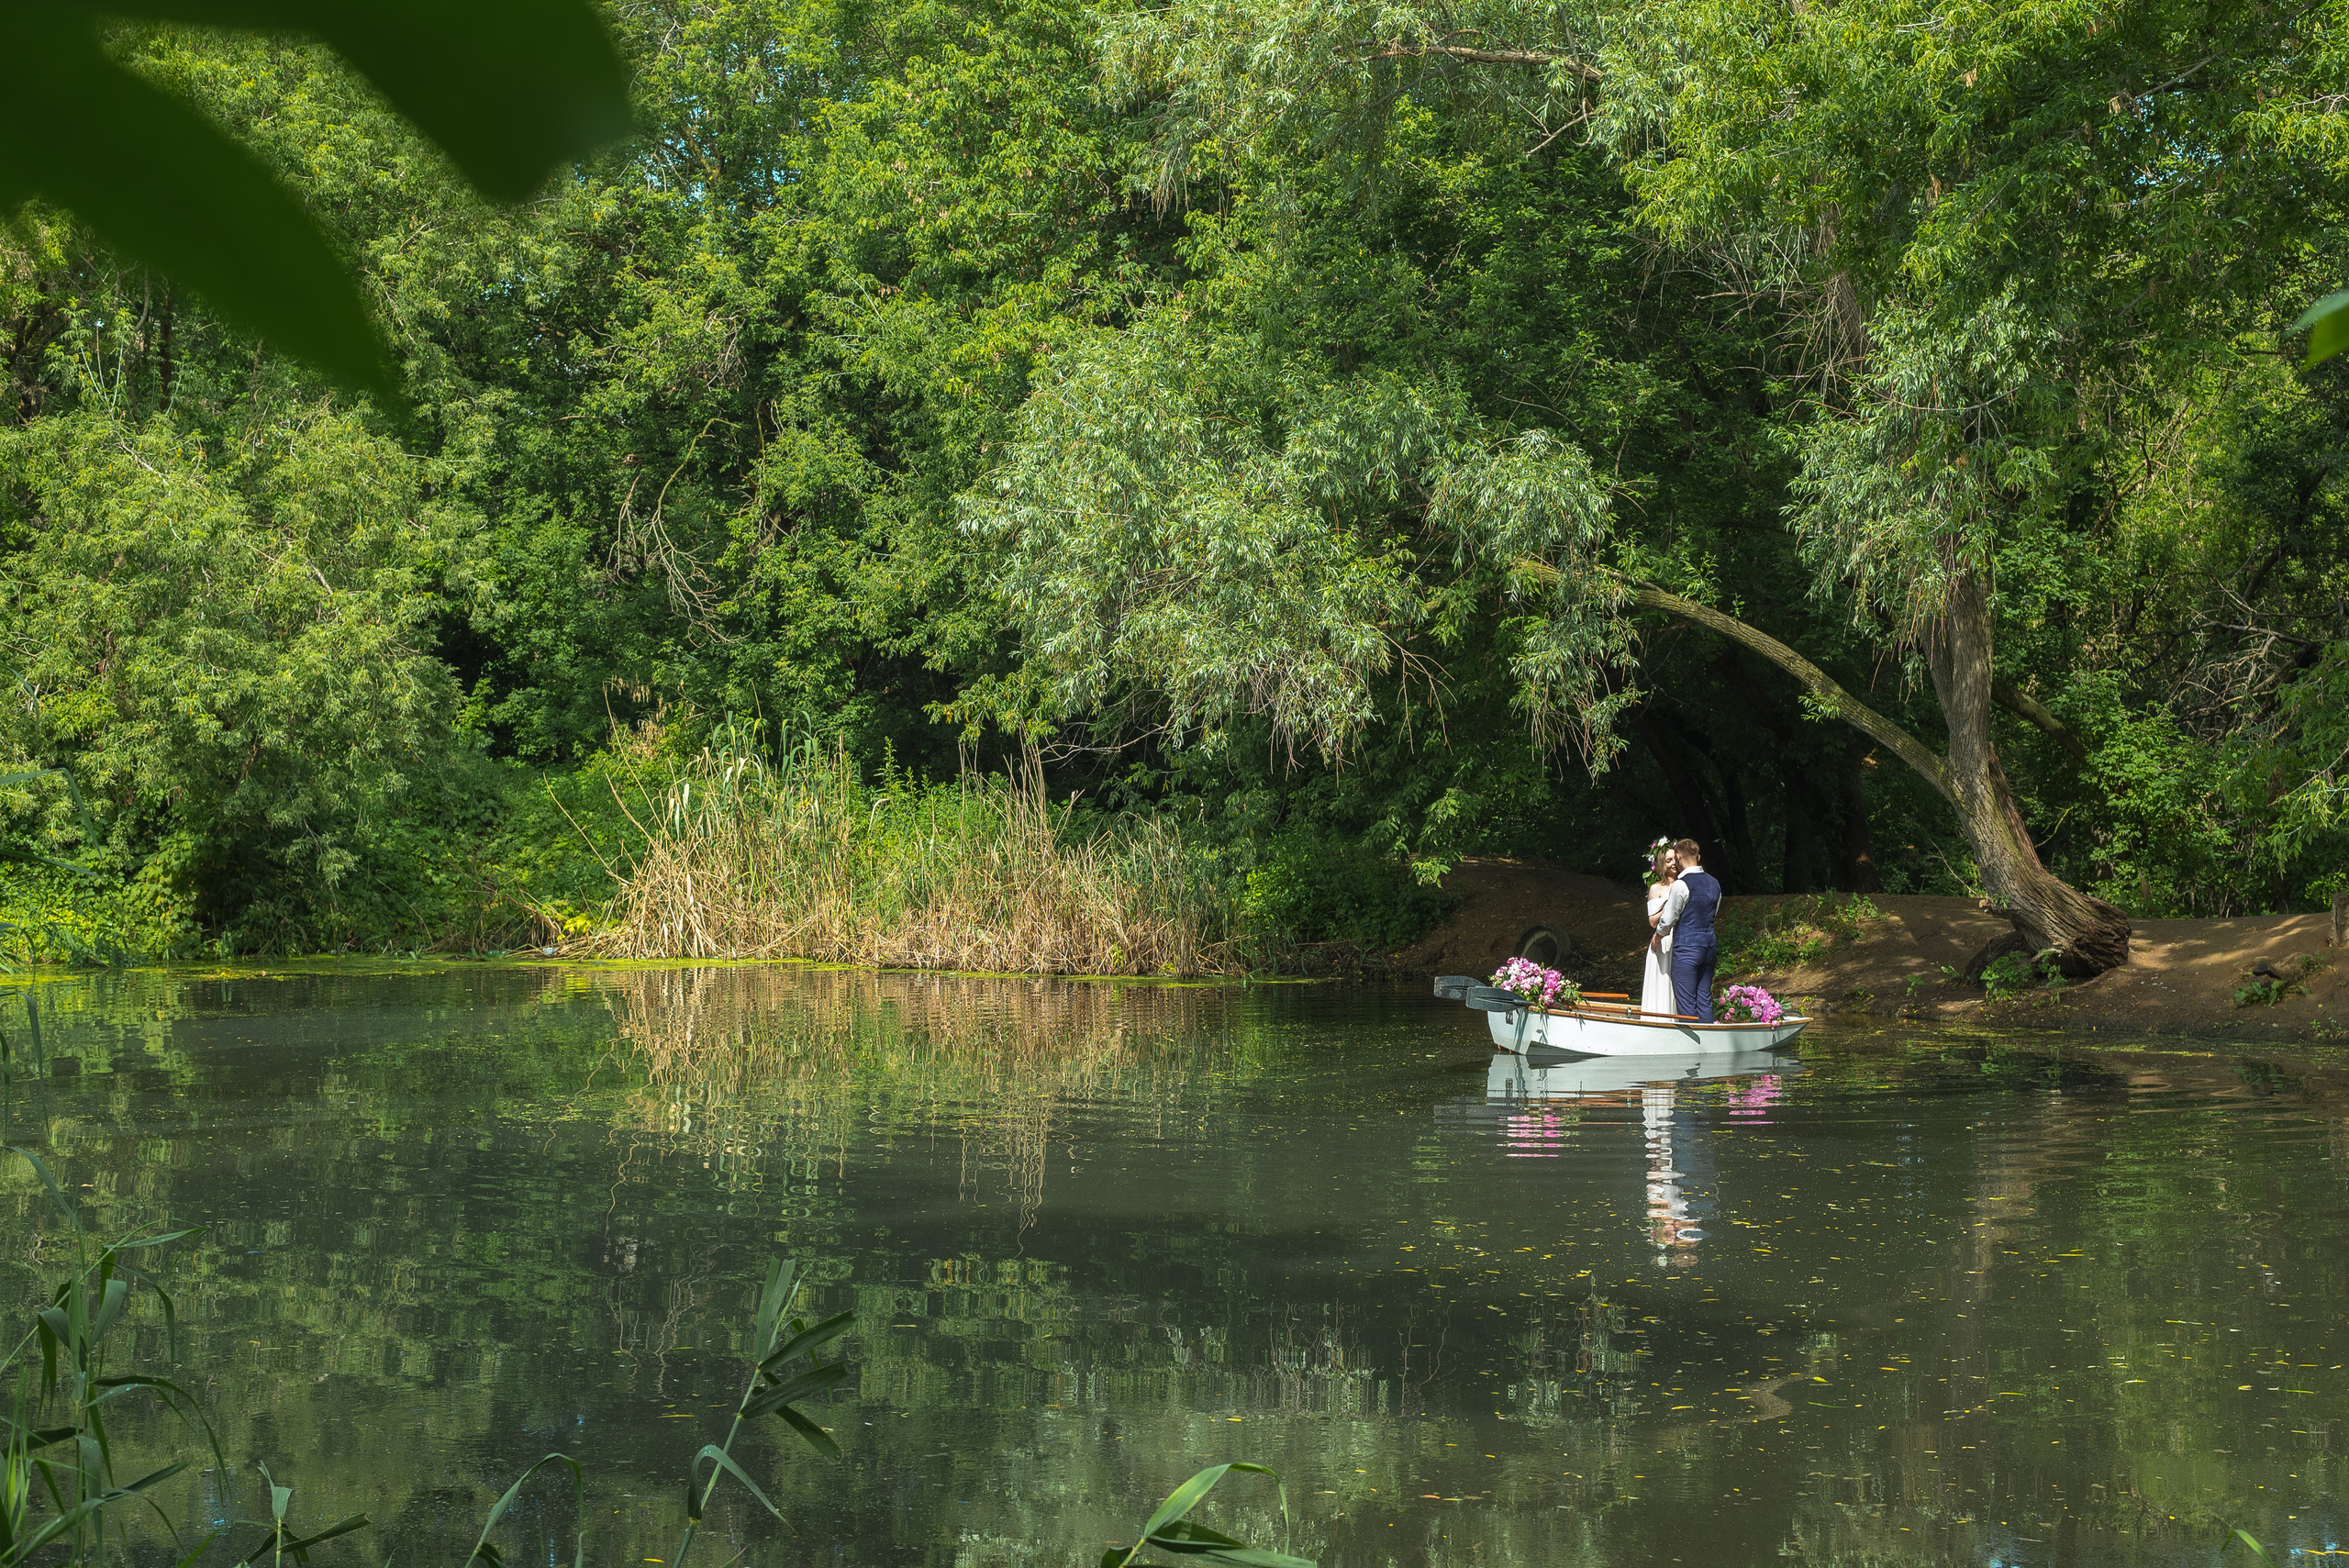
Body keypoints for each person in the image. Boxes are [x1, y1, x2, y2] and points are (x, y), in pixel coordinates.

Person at [1656, 838, 1720, 1024]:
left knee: (1686, 1004)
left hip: (1687, 950)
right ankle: (1709, 1044)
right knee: (1704, 1001)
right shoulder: (1715, 883)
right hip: (1709, 948)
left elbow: (1668, 918)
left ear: (1677, 857)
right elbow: (1712, 913)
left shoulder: (1681, 884)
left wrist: (1658, 936)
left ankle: (1693, 1046)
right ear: (1698, 857)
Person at [1641, 844, 1679, 1018]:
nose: (1673, 864)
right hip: (1662, 941)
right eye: (1668, 860)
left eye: (1675, 860)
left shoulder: (1685, 885)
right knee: (1661, 982)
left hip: (1681, 939)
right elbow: (1653, 921)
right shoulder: (1656, 888)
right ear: (1661, 865)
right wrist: (1671, 905)